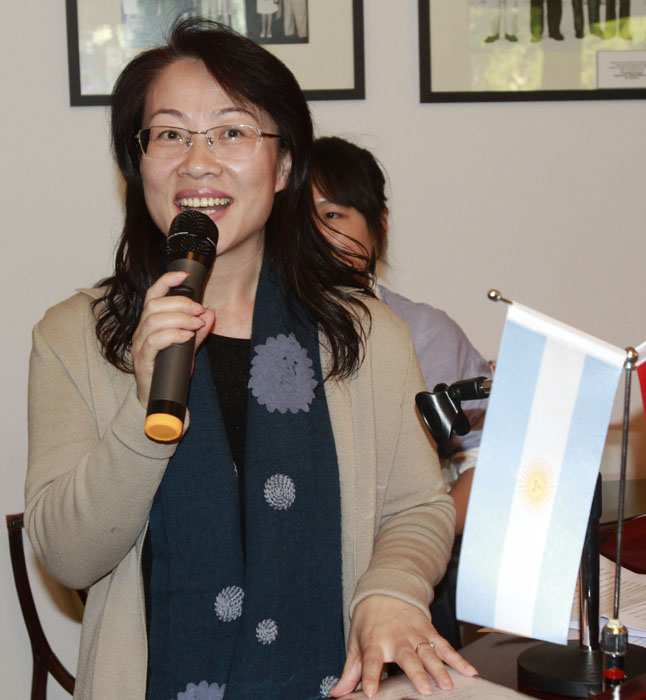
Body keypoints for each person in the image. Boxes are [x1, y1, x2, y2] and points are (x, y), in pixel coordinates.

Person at [24, 18, 476, 700]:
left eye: (231, 132)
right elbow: (67, 554)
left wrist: (391, 590)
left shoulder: (365, 331)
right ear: (137, 160)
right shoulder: (73, 337)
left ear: (285, 164)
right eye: (170, 134)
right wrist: (143, 409)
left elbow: (417, 507)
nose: (197, 162)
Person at [309, 136, 493, 649]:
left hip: (412, 588)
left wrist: (410, 539)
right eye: (296, 219)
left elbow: (486, 465)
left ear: (379, 224)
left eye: (334, 214)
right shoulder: (247, 336)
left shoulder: (425, 332)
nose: (315, 234)